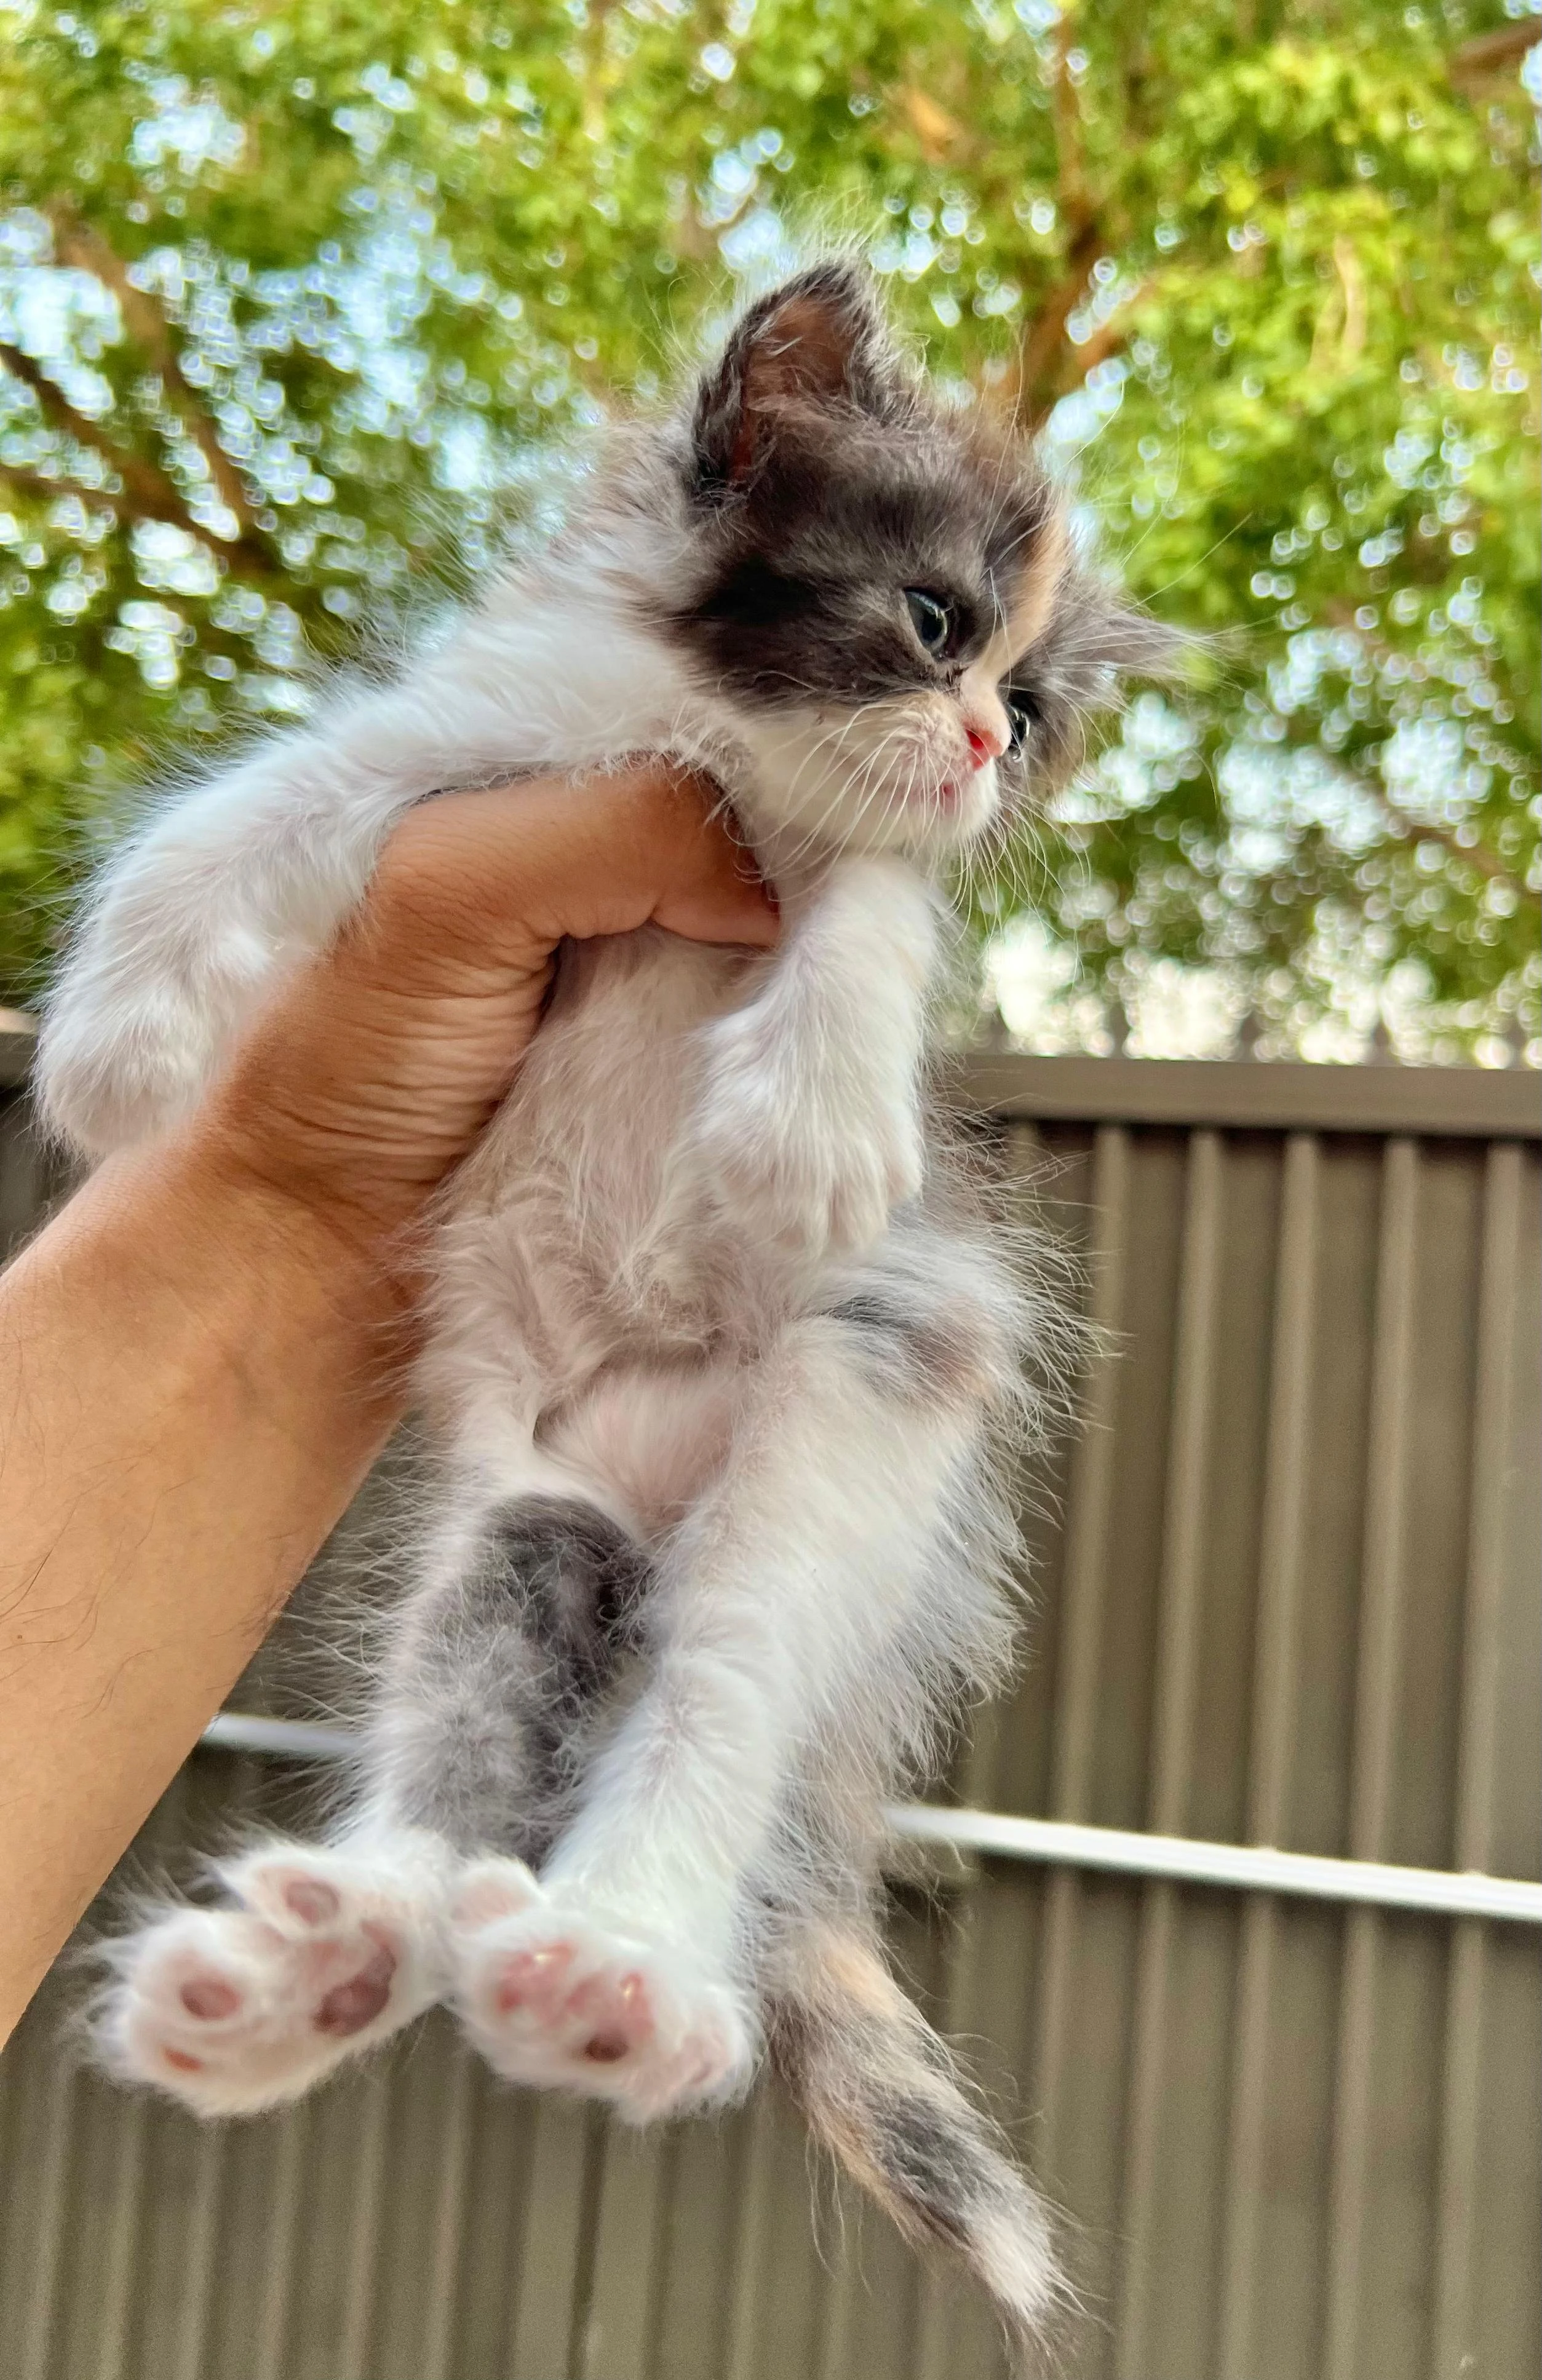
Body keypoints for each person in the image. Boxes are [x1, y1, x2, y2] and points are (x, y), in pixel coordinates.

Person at [0, 764, 777, 2044]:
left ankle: (659, 1895)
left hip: (764, 1303)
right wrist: (281, 1185)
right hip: (559, 1294)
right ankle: (421, 1872)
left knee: (731, 1574)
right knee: (526, 1538)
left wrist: (280, 1191)